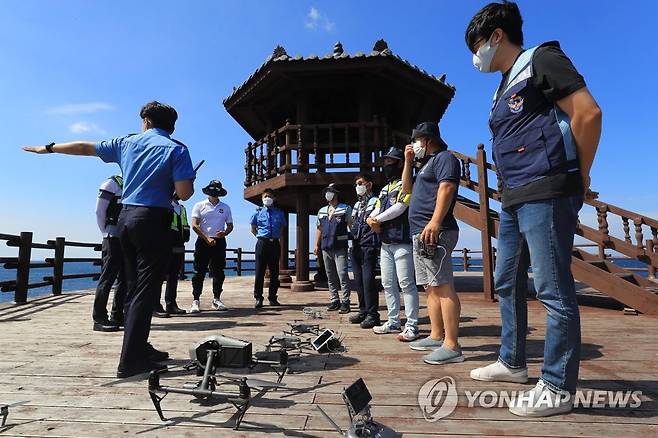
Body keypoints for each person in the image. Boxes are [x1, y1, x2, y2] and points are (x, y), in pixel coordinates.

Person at [465, 1, 602, 416]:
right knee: (507, 282)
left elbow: (587, 113)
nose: (475, 58)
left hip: (546, 188)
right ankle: (512, 361)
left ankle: (558, 386)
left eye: (476, 46)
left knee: (553, 289)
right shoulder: (502, 85)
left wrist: (578, 175)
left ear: (496, 37)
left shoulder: (541, 59)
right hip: (512, 197)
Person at [23, 101, 196, 378]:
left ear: (147, 121)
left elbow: (84, 147)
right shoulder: (177, 149)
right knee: (145, 291)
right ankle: (131, 361)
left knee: (130, 288)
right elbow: (184, 193)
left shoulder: (126, 143)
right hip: (153, 221)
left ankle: (138, 346)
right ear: (171, 126)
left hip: (125, 220)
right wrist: (184, 181)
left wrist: (49, 148)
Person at [403, 122, 463, 364]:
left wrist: (436, 221)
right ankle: (437, 334)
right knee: (430, 286)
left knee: (443, 285)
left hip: (436, 230)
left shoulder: (445, 158)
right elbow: (406, 190)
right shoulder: (425, 164)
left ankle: (452, 345)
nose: (415, 144)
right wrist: (408, 162)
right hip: (419, 231)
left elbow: (447, 187)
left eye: (417, 140)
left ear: (427, 140)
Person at [367, 147, 419, 342]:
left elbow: (401, 207)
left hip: (402, 241)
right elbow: (377, 208)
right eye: (385, 162)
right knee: (388, 283)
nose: (387, 166)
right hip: (386, 242)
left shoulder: (407, 184)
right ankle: (393, 321)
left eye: (391, 162)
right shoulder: (384, 189)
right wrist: (370, 219)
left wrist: (376, 220)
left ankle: (412, 325)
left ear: (400, 164)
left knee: (406, 283)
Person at [190, 180, 233, 313]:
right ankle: (196, 300)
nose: (214, 191)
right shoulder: (199, 205)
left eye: (217, 189)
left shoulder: (225, 207)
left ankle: (216, 299)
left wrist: (224, 232)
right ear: (208, 189)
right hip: (203, 241)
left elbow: (230, 225)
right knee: (199, 271)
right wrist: (207, 238)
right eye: (212, 188)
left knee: (219, 271)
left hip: (219, 241)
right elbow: (194, 225)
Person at [92, 175, 127, 332]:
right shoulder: (112, 183)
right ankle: (99, 318)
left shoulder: (135, 183)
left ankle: (117, 315)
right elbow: (99, 211)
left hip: (128, 238)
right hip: (112, 236)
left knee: (125, 279)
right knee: (107, 278)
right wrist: (105, 232)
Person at [348, 174, 381, 329]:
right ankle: (363, 310)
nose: (357, 187)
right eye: (356, 184)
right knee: (359, 282)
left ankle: (373, 314)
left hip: (369, 245)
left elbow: (374, 221)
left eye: (360, 183)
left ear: (369, 185)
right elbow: (354, 224)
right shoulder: (356, 205)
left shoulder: (376, 201)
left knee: (368, 281)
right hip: (356, 246)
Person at [314, 183, 352, 313]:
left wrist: (353, 242)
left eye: (330, 192)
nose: (327, 194)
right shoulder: (321, 210)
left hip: (340, 247)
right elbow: (319, 228)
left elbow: (350, 226)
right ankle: (334, 300)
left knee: (342, 274)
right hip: (325, 247)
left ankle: (346, 302)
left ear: (336, 194)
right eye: (326, 192)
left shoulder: (345, 208)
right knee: (330, 275)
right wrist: (316, 244)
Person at [250, 189, 286, 309]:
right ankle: (258, 298)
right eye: (265, 196)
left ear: (274, 198)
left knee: (274, 272)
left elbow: (282, 228)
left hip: (274, 243)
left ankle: (272, 297)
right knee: (259, 272)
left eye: (270, 196)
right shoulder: (257, 212)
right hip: (262, 243)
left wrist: (275, 237)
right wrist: (261, 238)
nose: (268, 198)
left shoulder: (279, 213)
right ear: (262, 199)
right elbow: (253, 228)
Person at [154, 198, 190, 316]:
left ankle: (171, 304)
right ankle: (155, 305)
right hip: (164, 246)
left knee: (173, 276)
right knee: (159, 277)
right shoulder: (163, 205)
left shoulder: (182, 209)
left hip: (179, 246)